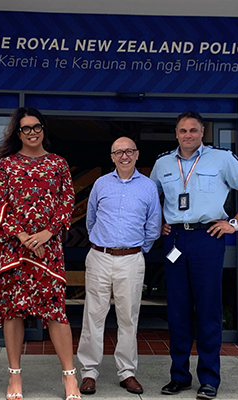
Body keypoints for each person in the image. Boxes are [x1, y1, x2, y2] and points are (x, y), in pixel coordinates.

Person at [150, 111, 238, 399]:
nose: (188, 135)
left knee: (208, 310)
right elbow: (151, 197)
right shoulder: (162, 163)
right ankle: (179, 376)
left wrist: (234, 223)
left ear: (202, 132)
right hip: (174, 238)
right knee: (177, 311)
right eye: (183, 130)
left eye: (193, 130)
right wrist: (158, 220)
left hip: (207, 236)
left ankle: (209, 379)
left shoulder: (221, 159)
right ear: (176, 134)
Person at [0, 107, 80, 400]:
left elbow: (66, 202)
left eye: (37, 127)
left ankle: (70, 378)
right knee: (14, 311)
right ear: (18, 132)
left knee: (56, 312)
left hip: (48, 250)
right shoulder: (6, 165)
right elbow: (0, 203)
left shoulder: (58, 164)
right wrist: (22, 235)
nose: (32, 132)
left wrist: (48, 232)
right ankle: (14, 377)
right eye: (26, 128)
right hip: (15, 249)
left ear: (44, 130)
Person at [77, 137, 161, 395]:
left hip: (131, 259)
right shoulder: (101, 184)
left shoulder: (148, 187)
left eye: (129, 151)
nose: (124, 156)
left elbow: (153, 225)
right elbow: (90, 220)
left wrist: (135, 250)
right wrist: (104, 246)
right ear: (112, 157)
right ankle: (89, 372)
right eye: (118, 152)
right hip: (100, 256)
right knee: (93, 316)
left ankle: (127, 372)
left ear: (137, 155)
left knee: (128, 317)